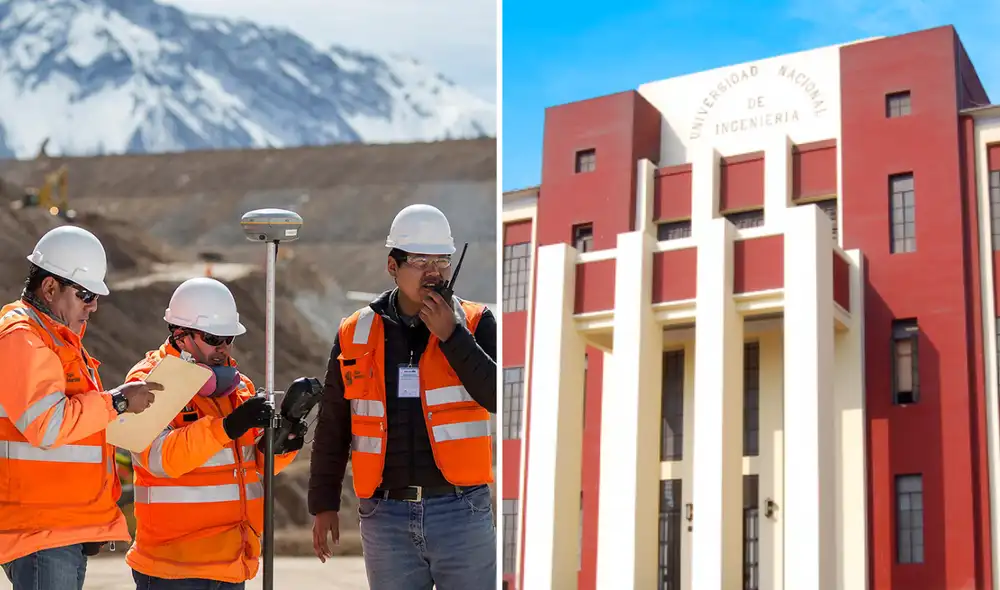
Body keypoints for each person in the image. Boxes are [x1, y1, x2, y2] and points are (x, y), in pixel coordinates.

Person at [309, 204, 497, 589]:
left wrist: (453, 337)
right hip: (385, 517)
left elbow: (498, 395)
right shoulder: (355, 332)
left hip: (461, 512)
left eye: (442, 260)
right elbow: (333, 425)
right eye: (420, 261)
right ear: (392, 266)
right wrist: (324, 502)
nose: (434, 271)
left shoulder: (476, 322)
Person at [0, 225, 161, 590]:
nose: (93, 305)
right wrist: (118, 401)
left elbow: (79, 435)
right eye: (85, 294)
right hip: (41, 532)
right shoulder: (22, 337)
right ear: (50, 288)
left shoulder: (58, 342)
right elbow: (48, 426)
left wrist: (93, 522)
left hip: (61, 529)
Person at [123, 277, 307, 589]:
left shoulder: (239, 388)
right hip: (174, 569)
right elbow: (159, 458)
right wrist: (227, 427)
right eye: (213, 338)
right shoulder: (148, 382)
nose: (222, 348)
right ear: (180, 336)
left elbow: (253, 468)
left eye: (228, 338)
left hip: (232, 564)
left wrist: (281, 446)